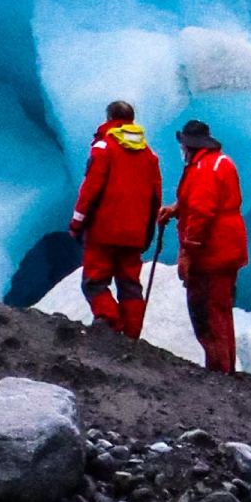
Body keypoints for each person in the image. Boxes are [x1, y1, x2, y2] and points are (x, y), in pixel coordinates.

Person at [69, 99, 162, 339]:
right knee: (130, 285)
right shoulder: (149, 155)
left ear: (109, 119)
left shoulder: (104, 147)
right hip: (134, 234)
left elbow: (91, 188)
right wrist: (148, 232)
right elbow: (155, 197)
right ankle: (131, 334)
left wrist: (77, 222)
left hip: (103, 230)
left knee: (95, 281)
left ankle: (109, 323)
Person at [161, 116, 248, 371]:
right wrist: (177, 209)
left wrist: (188, 252)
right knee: (221, 312)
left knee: (207, 314)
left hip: (212, 254)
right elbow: (209, 203)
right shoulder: (221, 162)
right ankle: (224, 369)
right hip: (228, 250)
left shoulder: (203, 169)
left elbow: (202, 213)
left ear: (189, 146)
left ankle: (219, 373)